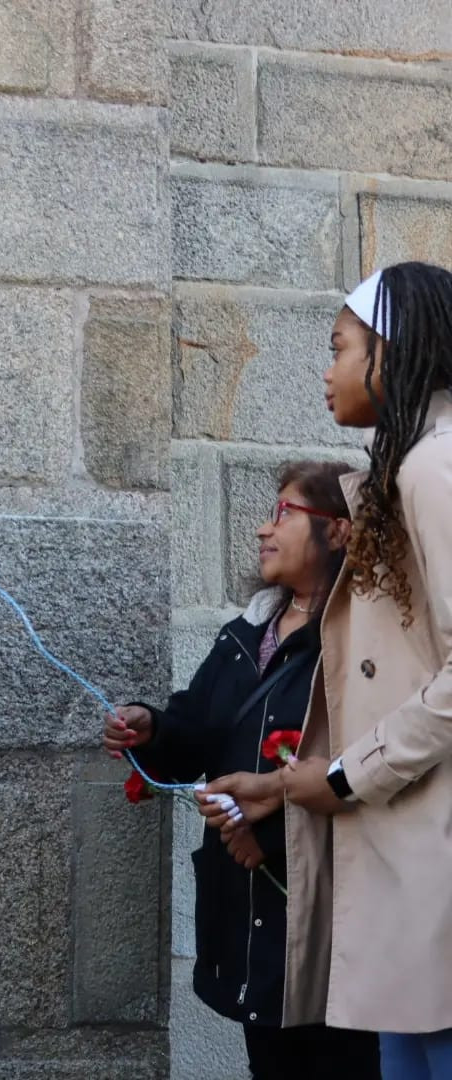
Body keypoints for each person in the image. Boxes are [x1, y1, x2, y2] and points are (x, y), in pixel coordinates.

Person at [204, 262, 452, 1079]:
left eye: (339, 346)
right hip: (406, 879)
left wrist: (344, 777)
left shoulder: (433, 469)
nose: (327, 367)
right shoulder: (405, 470)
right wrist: (281, 786)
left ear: (392, 351)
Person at [106, 461, 380, 1080]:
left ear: (337, 532)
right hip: (249, 910)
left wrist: (281, 794)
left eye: (284, 513)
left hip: (328, 907)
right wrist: (149, 728)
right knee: (272, 1062)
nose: (263, 528)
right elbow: (194, 734)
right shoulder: (242, 636)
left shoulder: (364, 643)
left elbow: (375, 764)